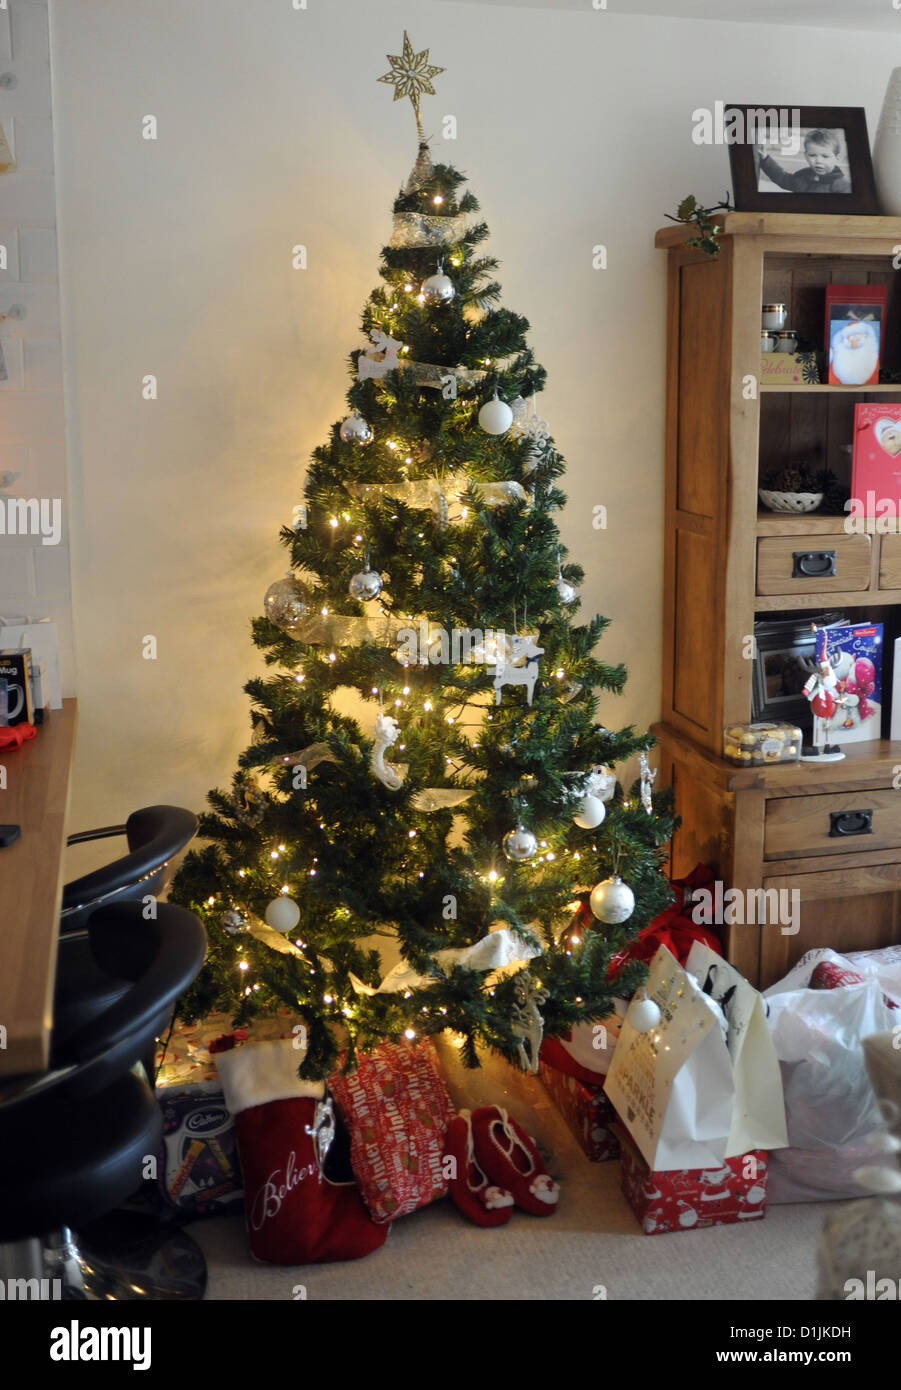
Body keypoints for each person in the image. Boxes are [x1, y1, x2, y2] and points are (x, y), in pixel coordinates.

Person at [757, 128, 851, 194]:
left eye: (825, 156)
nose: (818, 160)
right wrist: (765, 159)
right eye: (812, 155)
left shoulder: (842, 186)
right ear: (806, 156)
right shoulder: (803, 175)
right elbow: (783, 178)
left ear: (837, 159)